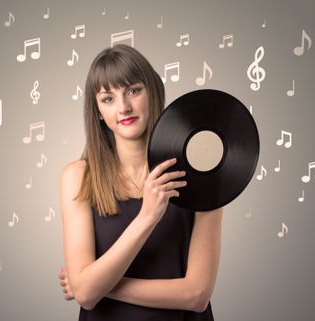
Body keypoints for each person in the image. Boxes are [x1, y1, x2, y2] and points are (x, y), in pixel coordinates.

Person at [59, 44, 223, 321]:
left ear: (153, 92)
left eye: (133, 91)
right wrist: (147, 217)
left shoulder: (200, 176)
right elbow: (86, 294)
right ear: (97, 110)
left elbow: (196, 295)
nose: (123, 107)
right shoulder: (77, 178)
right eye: (108, 98)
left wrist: (99, 285)